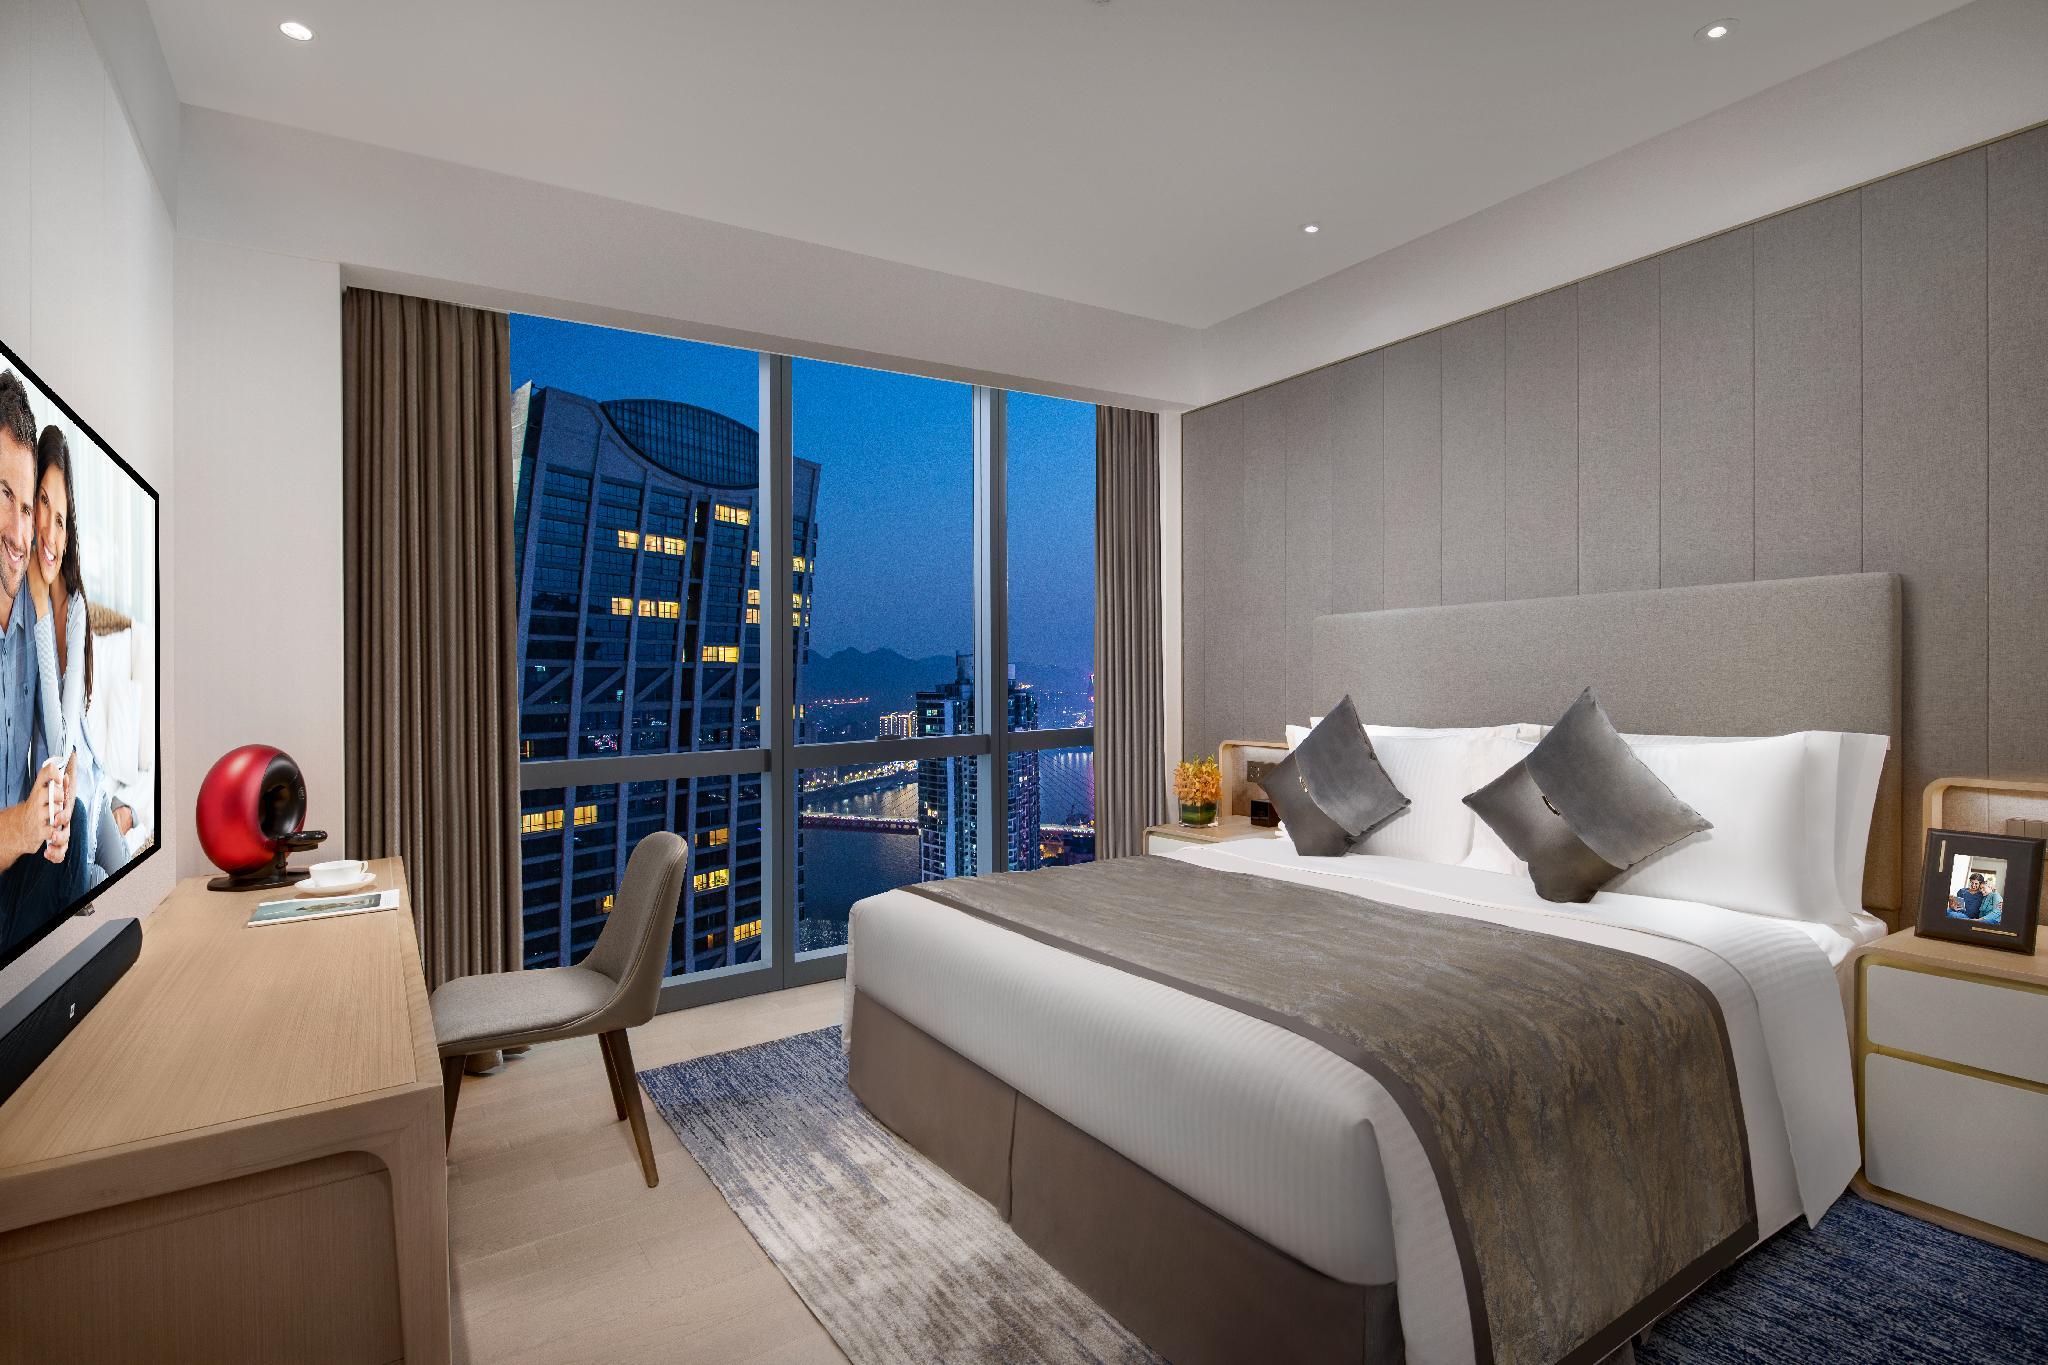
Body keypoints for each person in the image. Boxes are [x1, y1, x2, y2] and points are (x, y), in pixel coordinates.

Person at [0, 370, 88, 963]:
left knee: (77, 827)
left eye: (27, 505)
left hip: (17, 869)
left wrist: (53, 810)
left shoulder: (48, 619)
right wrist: (28, 825)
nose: (22, 529)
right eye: (3, 494)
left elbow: (60, 741)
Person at [29, 424, 123, 882]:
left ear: (69, 536)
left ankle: (124, 810)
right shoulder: (20, 602)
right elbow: (51, 742)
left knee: (131, 883)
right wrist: (38, 604)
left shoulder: (78, 606)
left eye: (62, 519)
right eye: (43, 503)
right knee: (96, 884)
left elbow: (67, 740)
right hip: (63, 813)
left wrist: (45, 601)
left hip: (92, 791)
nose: (50, 530)